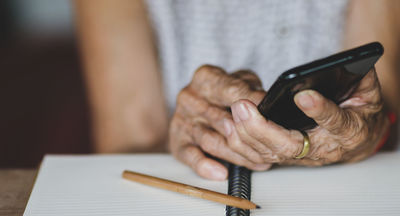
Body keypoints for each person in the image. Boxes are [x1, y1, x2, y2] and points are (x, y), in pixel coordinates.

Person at [74, 0, 400, 180]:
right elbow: (125, 143)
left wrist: (368, 133)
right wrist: (194, 134)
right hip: (196, 183)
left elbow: (384, 103)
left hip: (344, 189)